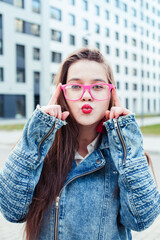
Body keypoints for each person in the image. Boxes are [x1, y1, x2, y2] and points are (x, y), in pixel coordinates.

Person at [0, 48, 160, 240]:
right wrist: (38, 133)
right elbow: (12, 210)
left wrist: (127, 140)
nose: (86, 95)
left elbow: (141, 220)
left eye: (98, 87)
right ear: (62, 92)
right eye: (75, 86)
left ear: (111, 94)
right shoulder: (43, 148)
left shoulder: (123, 153)